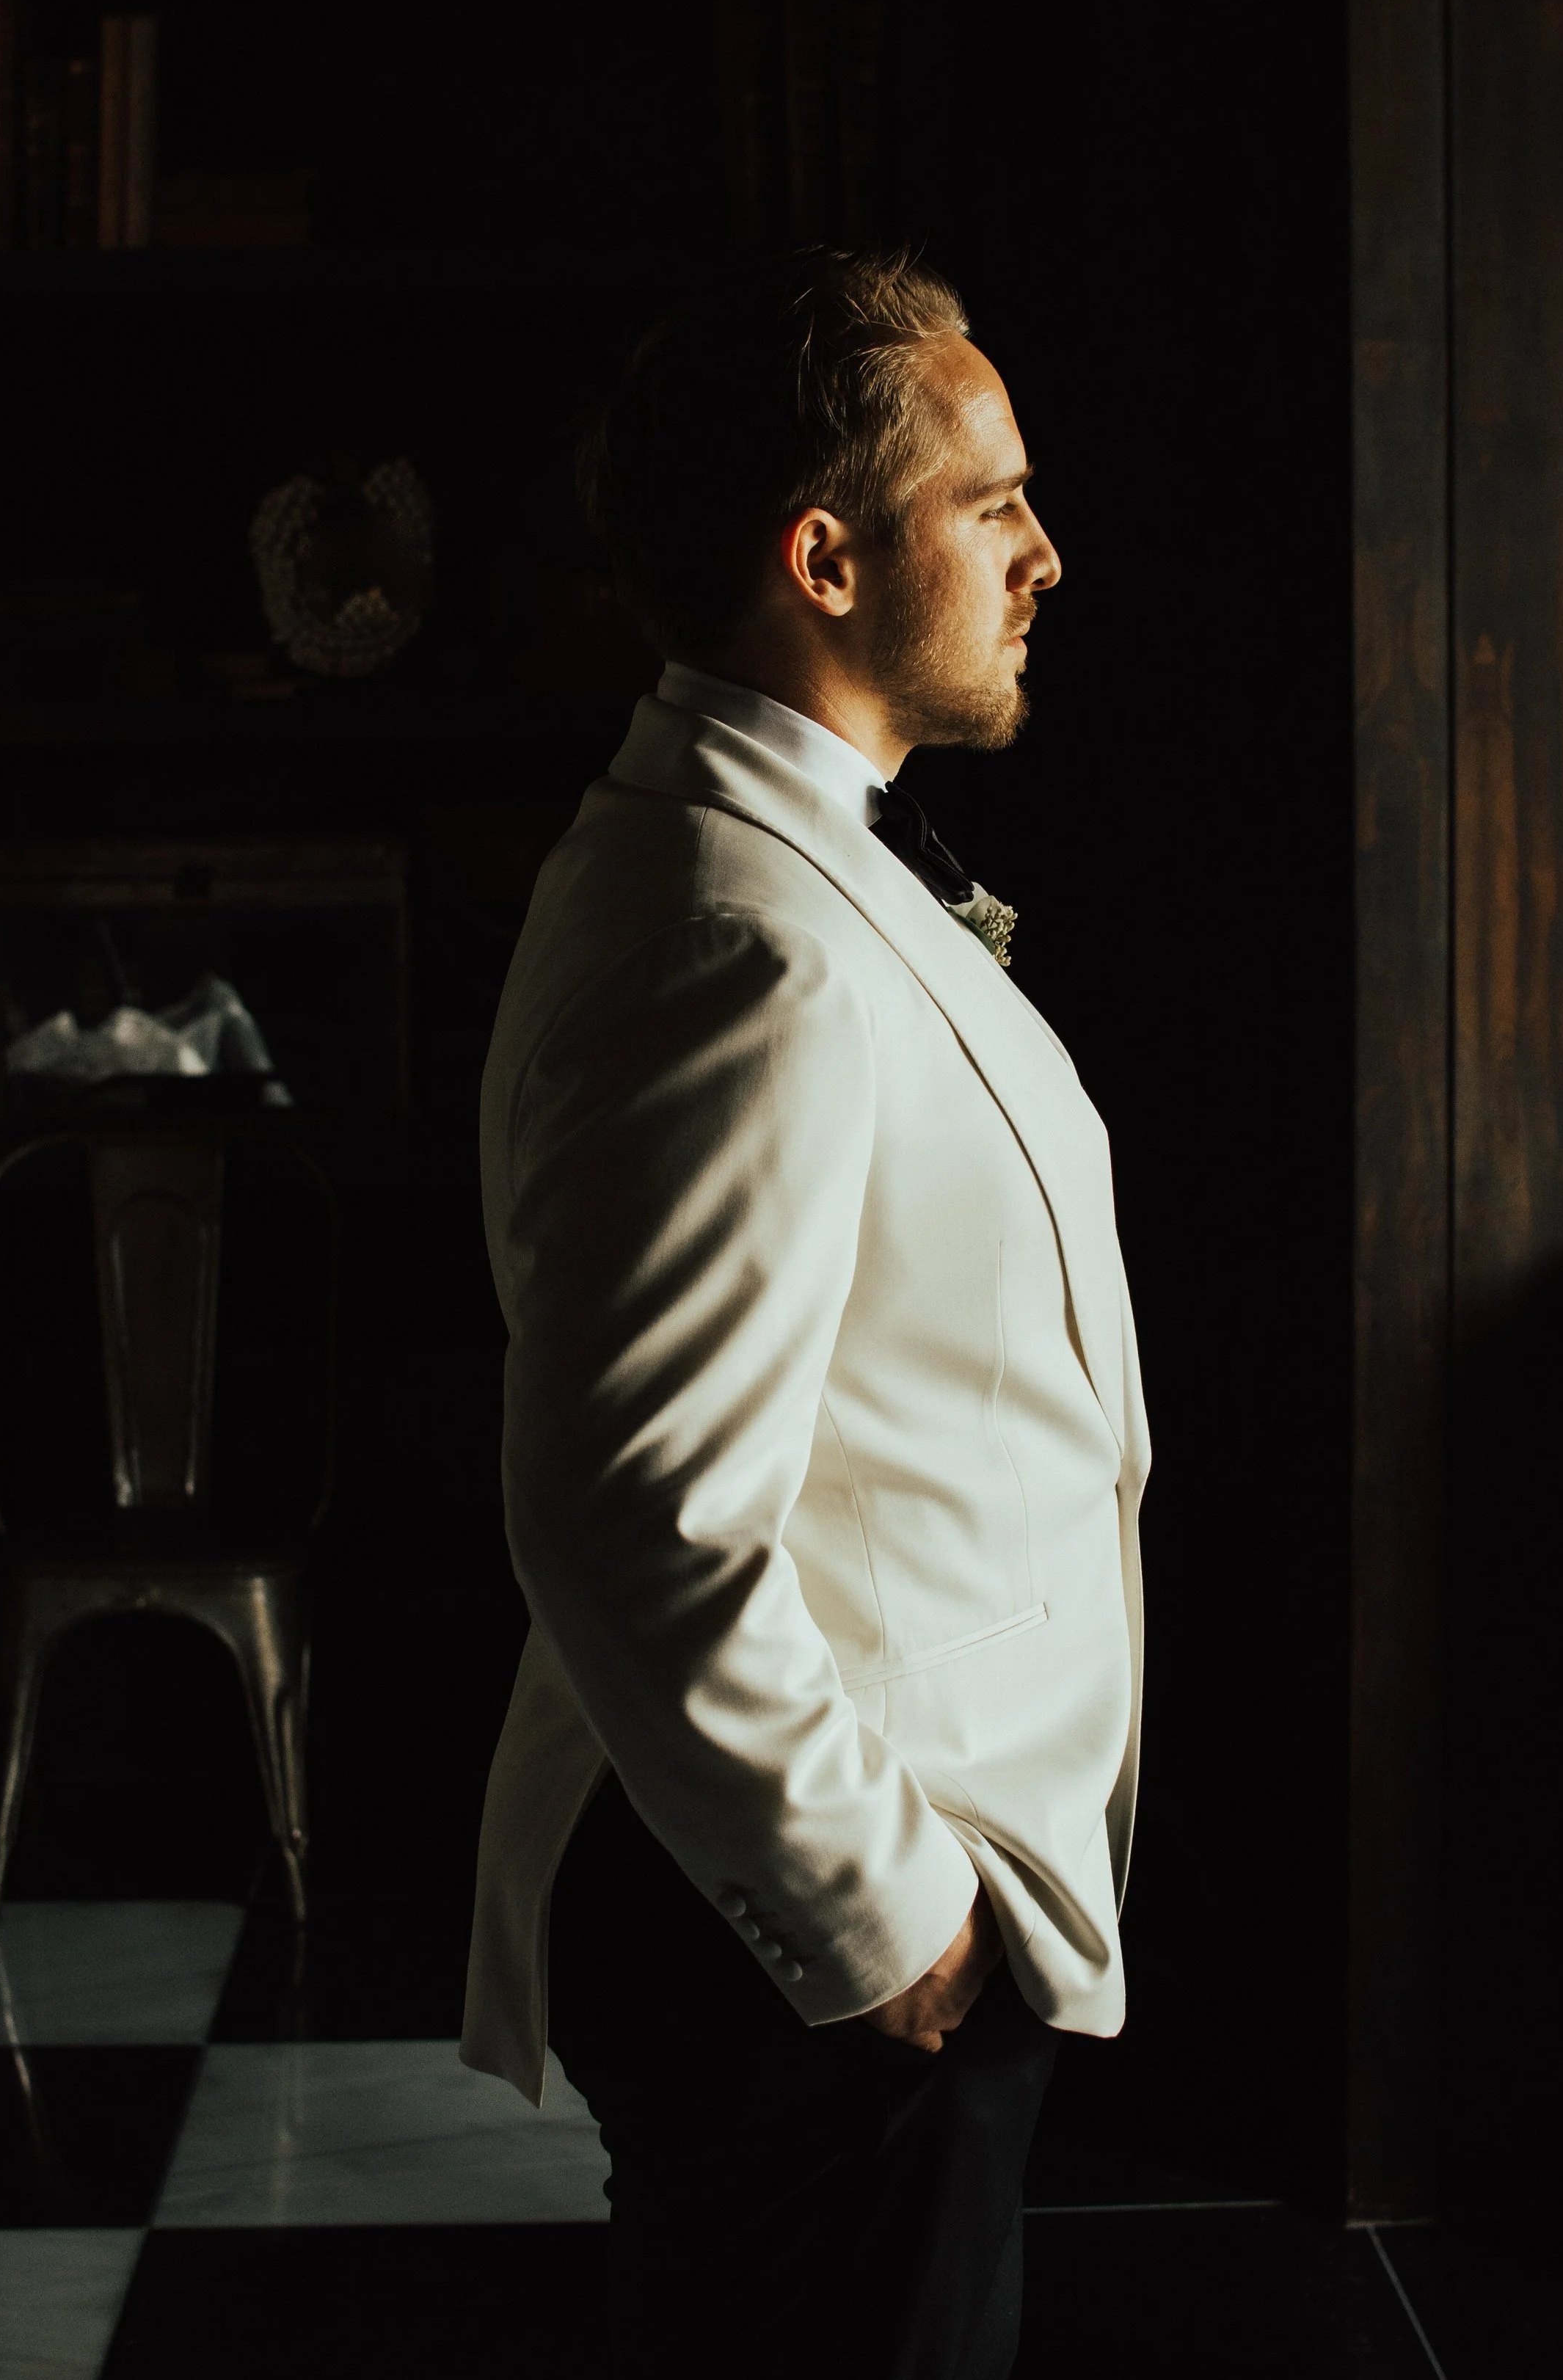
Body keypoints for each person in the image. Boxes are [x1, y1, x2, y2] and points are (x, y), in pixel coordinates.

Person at [462, 247, 1151, 2377]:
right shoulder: (732, 935)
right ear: (824, 554)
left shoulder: (763, 849)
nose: (1043, 551)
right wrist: (888, 1922)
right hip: (813, 1925)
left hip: (857, 1888)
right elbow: (626, 1504)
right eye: (989, 501)